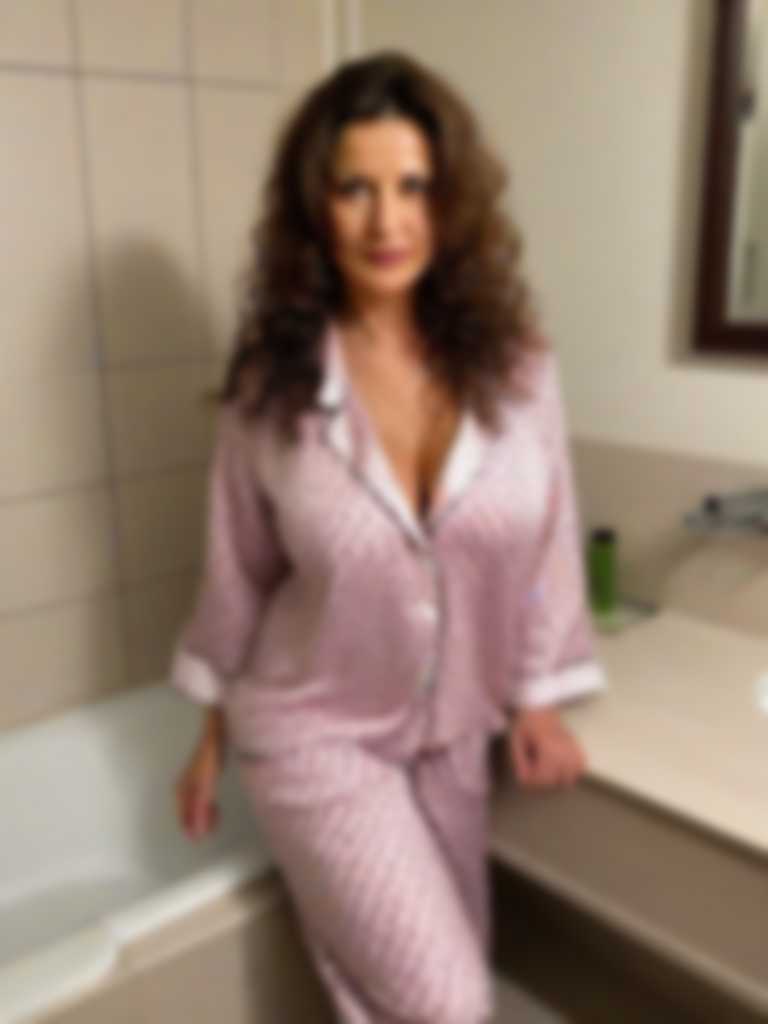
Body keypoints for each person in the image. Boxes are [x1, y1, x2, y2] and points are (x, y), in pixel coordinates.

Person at [169, 49, 608, 1024]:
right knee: (450, 1004)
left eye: (413, 186)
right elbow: (239, 572)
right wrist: (207, 738)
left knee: (441, 981)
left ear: (452, 199)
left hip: (452, 736)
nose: (386, 222)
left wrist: (538, 696)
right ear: (314, 209)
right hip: (316, 733)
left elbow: (548, 546)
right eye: (354, 190)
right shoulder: (270, 390)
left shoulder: (519, 368)